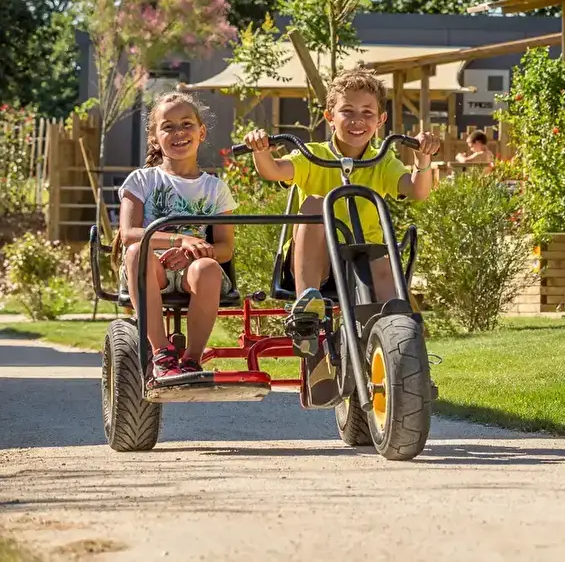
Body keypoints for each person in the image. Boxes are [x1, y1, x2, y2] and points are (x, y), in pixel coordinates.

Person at [242, 67, 439, 404]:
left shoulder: (382, 160)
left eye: (367, 113)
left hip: (363, 258)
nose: (357, 120)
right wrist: (261, 150)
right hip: (315, 261)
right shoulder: (313, 155)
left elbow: (416, 190)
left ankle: (402, 355)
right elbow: (275, 170)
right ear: (329, 116)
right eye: (347, 111)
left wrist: (422, 160)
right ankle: (307, 311)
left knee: (388, 283)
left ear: (381, 120)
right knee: (316, 204)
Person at [118, 92, 236, 381]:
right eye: (168, 127)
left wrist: (193, 251)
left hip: (192, 268)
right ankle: (162, 353)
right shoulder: (141, 180)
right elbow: (129, 234)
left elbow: (225, 248)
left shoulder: (215, 188)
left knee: (208, 267)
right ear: (155, 138)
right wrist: (179, 240)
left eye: (186, 124)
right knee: (137, 252)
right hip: (149, 267)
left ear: (201, 132)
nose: (178, 132)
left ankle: (192, 360)